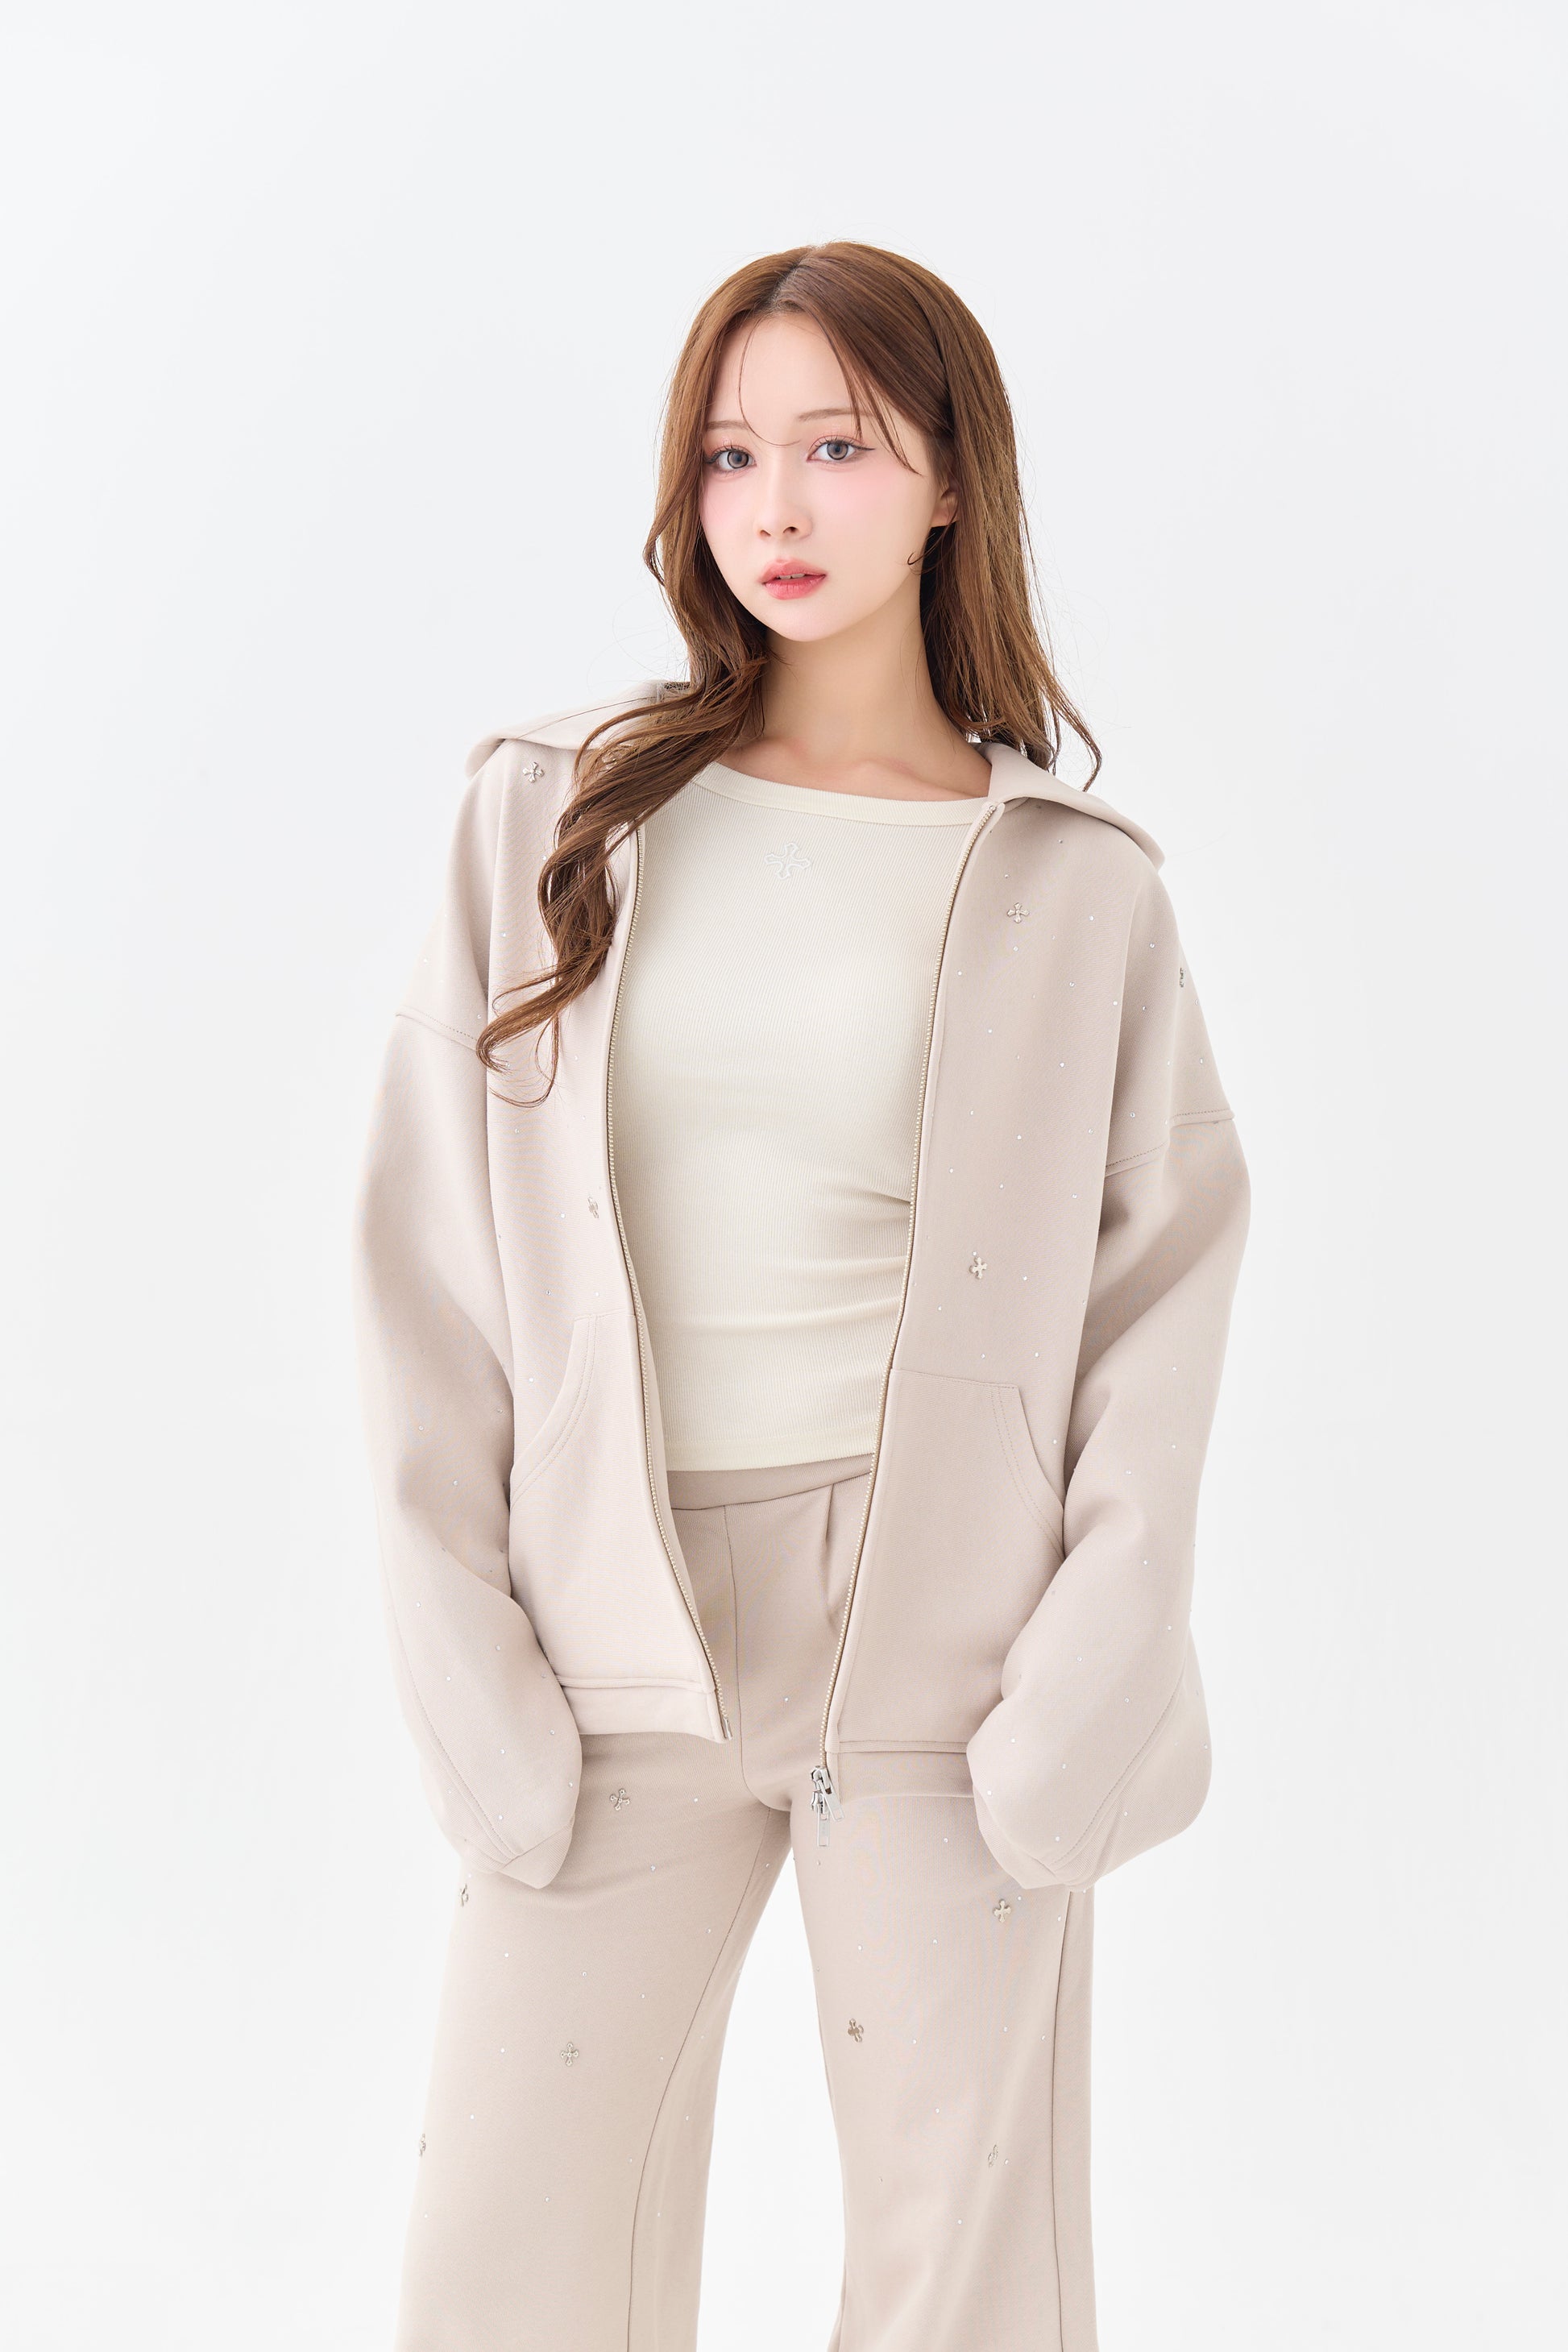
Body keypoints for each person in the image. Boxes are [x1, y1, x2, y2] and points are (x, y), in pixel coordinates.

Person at [351, 239, 1250, 2352]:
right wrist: (459, 1638)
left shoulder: (1071, 884)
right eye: (730, 453)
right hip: (611, 1624)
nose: (776, 504)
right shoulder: (552, 811)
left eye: (838, 447)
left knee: (965, 2282)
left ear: (946, 480)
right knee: (508, 2263)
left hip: (945, 1645)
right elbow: (424, 1266)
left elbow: (1163, 1291)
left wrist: (1087, 1663)